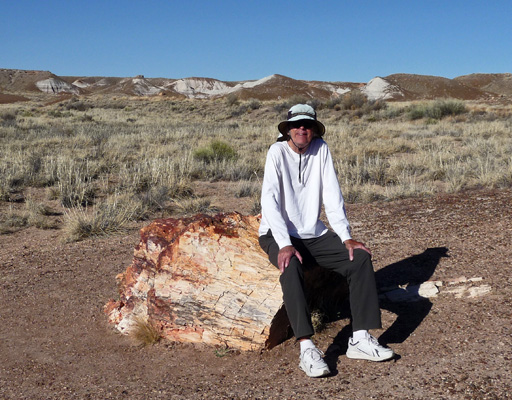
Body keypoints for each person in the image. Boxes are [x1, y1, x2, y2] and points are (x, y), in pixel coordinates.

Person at [258, 104, 394, 378]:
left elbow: (333, 197)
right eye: (296, 125)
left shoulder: (321, 150)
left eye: (307, 125)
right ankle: (307, 347)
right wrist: (284, 243)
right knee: (291, 267)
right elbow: (269, 200)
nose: (301, 129)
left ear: (313, 130)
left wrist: (346, 237)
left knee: (360, 259)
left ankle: (359, 338)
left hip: (314, 233)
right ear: (288, 129)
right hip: (276, 232)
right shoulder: (276, 152)